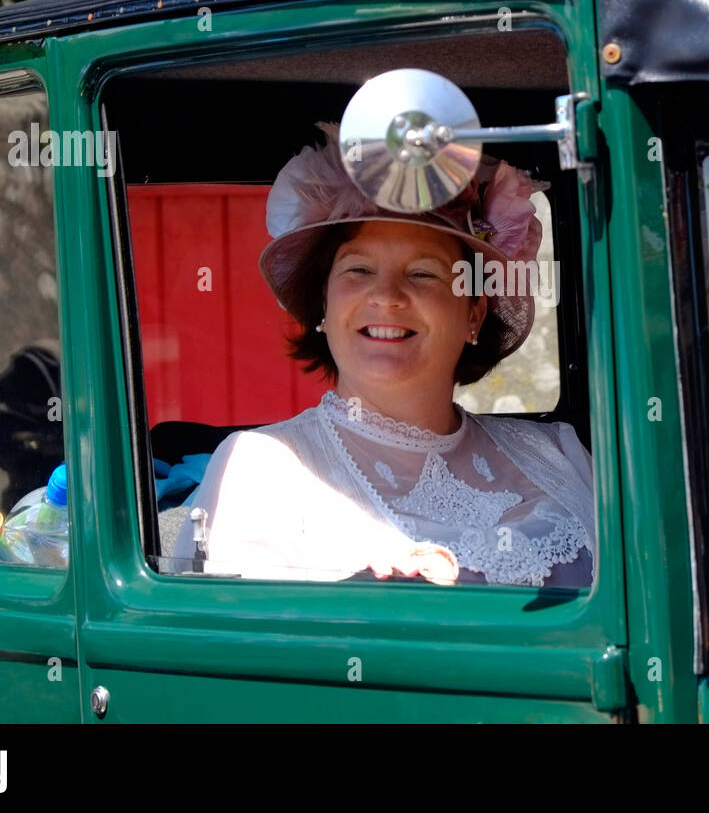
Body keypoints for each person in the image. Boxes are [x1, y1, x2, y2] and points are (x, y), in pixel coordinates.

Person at [176, 123, 594, 587]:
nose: (387, 296)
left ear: (474, 311)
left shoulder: (560, 452)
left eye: (422, 273)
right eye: (358, 269)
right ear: (324, 305)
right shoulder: (260, 468)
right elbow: (243, 648)